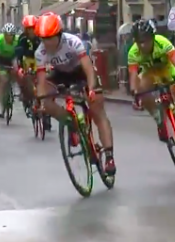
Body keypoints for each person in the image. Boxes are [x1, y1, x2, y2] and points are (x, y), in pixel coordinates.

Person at [34, 14, 115, 175]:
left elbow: (88, 68)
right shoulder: (40, 52)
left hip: (82, 72)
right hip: (60, 74)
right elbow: (42, 81)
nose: (47, 42)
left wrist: (91, 89)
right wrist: (41, 100)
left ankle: (109, 155)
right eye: (43, 38)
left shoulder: (73, 42)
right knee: (47, 102)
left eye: (50, 38)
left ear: (59, 35)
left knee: (97, 109)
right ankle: (71, 123)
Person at [128, 19, 175, 152]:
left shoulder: (162, 42)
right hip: (150, 74)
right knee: (141, 90)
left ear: (152, 37)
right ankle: (159, 119)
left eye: (146, 40)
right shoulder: (133, 52)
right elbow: (133, 77)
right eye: (139, 42)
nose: (143, 45)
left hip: (169, 71)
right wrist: (135, 95)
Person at [0, 23, 20, 118]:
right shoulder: (0, 39)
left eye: (11, 35)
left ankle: (14, 84)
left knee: (15, 68)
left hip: (13, 57)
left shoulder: (17, 40)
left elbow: (19, 54)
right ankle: (0, 105)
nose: (8, 37)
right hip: (1, 58)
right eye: (7, 35)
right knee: (2, 79)